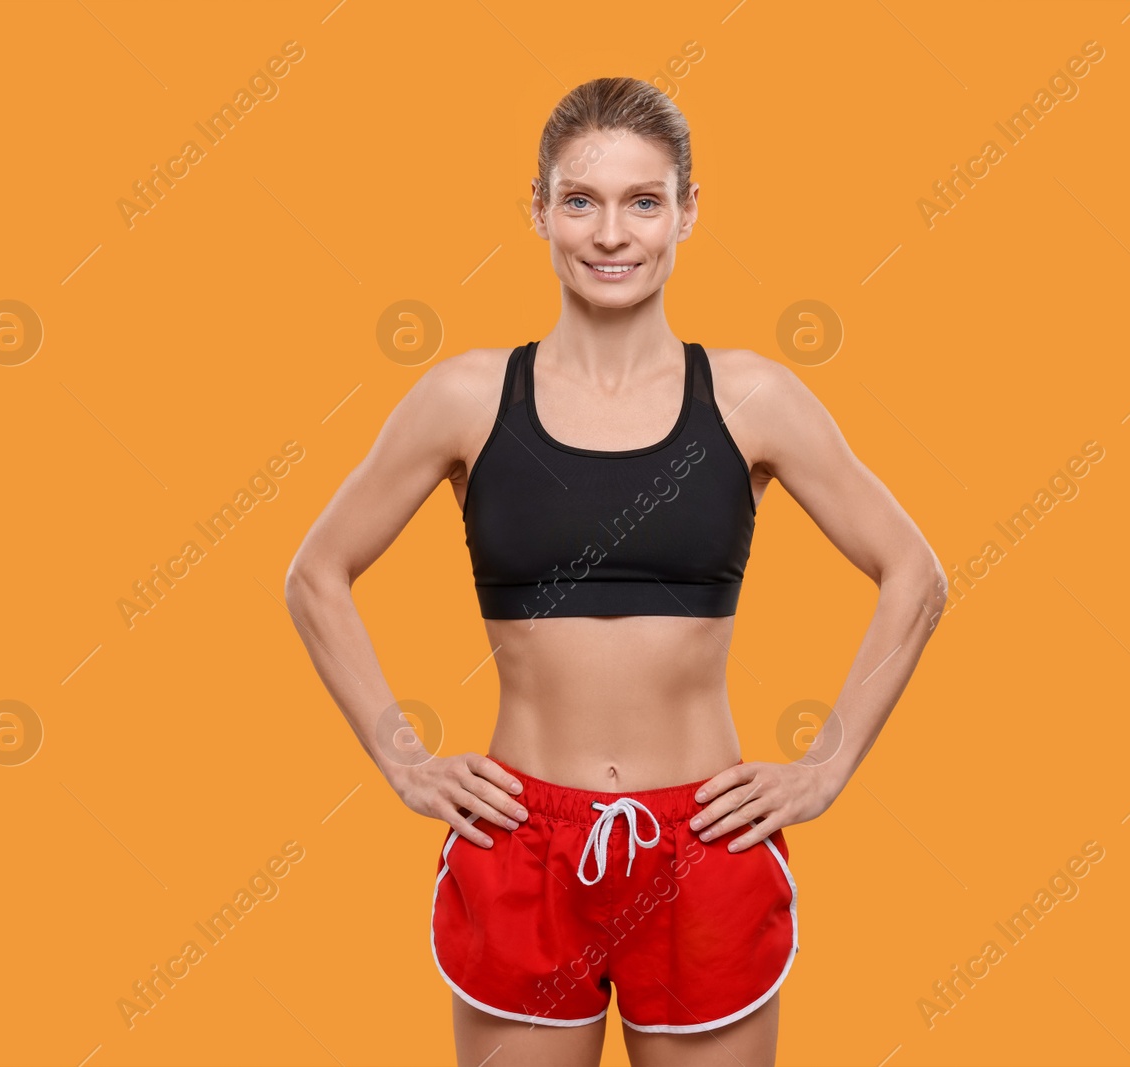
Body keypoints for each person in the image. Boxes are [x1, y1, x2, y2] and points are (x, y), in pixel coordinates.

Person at [284, 76, 947, 1067]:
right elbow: (315, 572)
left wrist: (824, 766)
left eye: (643, 200)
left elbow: (914, 572)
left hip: (703, 846)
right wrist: (402, 754)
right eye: (580, 200)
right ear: (541, 212)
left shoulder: (753, 396)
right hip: (521, 841)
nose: (610, 232)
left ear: (687, 211)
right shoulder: (463, 395)